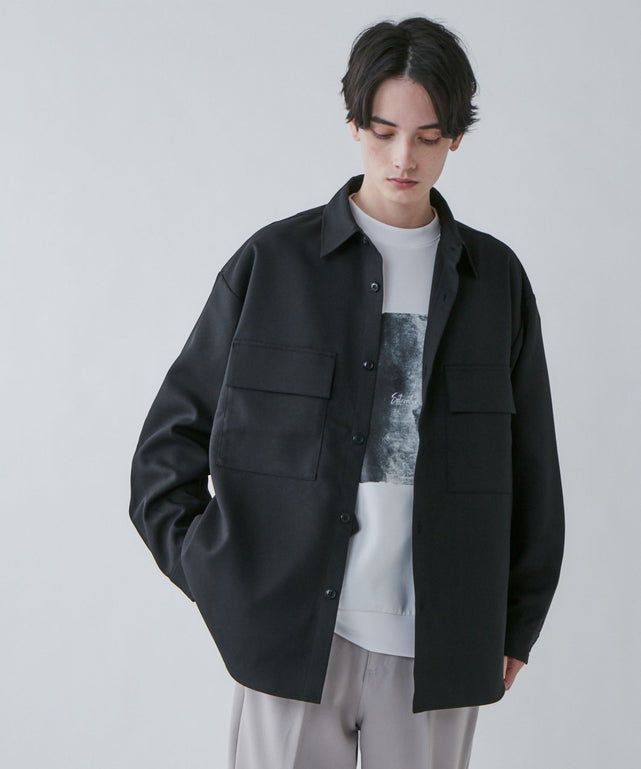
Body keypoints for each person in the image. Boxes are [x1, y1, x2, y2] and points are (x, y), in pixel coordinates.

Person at [129, 15, 565, 769]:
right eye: (384, 131)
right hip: (291, 641)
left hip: (439, 648)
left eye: (428, 136)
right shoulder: (273, 264)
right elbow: (167, 450)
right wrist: (222, 581)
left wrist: (516, 625)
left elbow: (533, 468)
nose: (403, 158)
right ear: (354, 123)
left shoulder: (495, 282)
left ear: (456, 137)